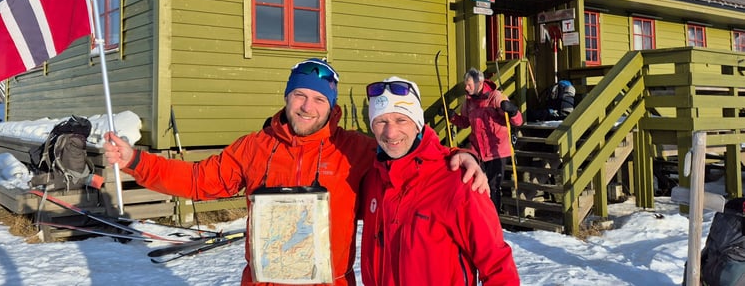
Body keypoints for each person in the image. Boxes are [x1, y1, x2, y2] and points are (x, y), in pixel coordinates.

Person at [104, 58, 487, 286]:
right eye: (300, 96)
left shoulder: (355, 149)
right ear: (287, 97)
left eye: (319, 99)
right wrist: (137, 161)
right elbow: (197, 180)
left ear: (330, 106)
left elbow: (405, 148)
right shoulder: (254, 147)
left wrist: (459, 153)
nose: (308, 107)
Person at [360, 76, 519, 285]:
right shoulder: (373, 178)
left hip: (495, 151)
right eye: (381, 121)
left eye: (401, 120)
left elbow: (499, 268)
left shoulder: (459, 181)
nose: (391, 132)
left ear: (417, 124)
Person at [445, 67, 523, 213]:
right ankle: (479, 212)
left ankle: (494, 215)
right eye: (465, 85)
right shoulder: (468, 103)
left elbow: (518, 121)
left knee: (493, 185)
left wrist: (512, 110)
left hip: (497, 150)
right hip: (478, 150)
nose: (466, 88)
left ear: (479, 83)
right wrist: (452, 116)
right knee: (475, 182)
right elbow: (465, 122)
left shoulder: (495, 97)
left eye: (469, 84)